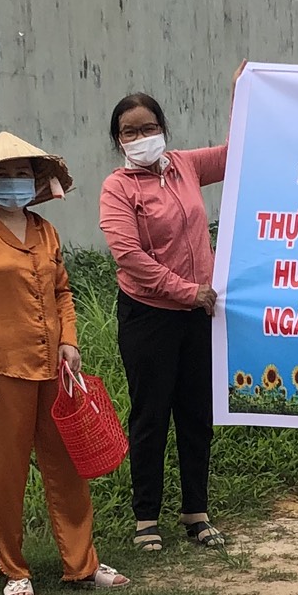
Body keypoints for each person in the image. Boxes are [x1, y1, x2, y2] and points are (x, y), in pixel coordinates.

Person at [0, 132, 128, 595]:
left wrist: (70, 340)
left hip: (54, 371)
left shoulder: (45, 231)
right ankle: (14, 568)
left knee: (68, 467)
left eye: (22, 175)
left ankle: (81, 563)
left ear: (36, 182)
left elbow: (62, 292)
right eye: (4, 176)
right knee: (4, 472)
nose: (14, 183)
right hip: (0, 372)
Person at [97, 91, 227, 551]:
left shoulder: (184, 167)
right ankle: (145, 518)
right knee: (150, 416)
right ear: (118, 140)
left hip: (197, 315)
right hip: (149, 315)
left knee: (196, 415)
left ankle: (197, 511)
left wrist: (242, 93)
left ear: (163, 129)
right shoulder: (119, 187)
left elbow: (236, 155)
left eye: (148, 128)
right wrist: (187, 290)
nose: (141, 137)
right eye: (129, 131)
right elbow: (129, 256)